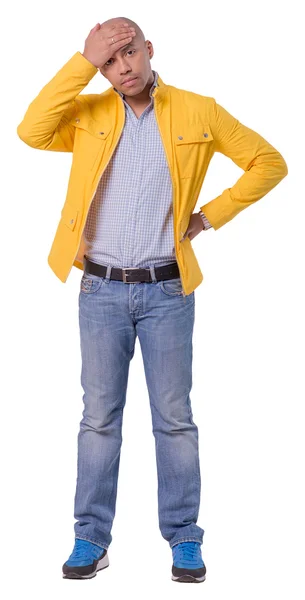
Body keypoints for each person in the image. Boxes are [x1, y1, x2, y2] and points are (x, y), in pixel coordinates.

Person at [16, 16, 288, 584]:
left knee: (175, 419)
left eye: (129, 53)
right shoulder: (89, 113)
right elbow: (30, 130)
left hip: (167, 290)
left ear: (148, 48)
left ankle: (185, 538)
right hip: (100, 290)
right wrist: (80, 62)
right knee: (98, 420)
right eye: (109, 61)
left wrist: (209, 217)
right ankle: (90, 538)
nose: (123, 68)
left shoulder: (197, 110)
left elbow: (269, 162)